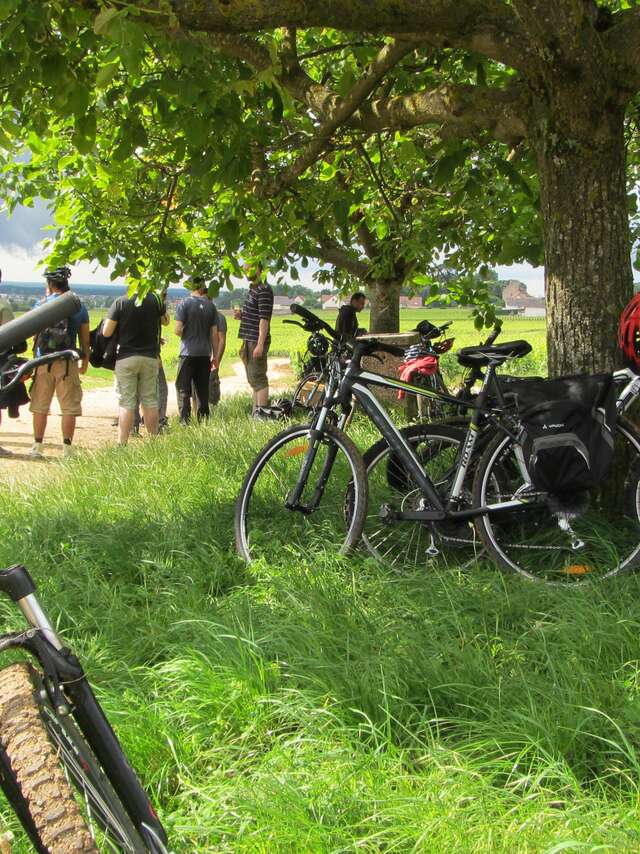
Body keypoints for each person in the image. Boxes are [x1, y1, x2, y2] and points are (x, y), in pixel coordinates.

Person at [29, 267, 90, 460]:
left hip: (42, 362)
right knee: (69, 407)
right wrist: (84, 361)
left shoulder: (41, 304)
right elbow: (85, 340)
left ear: (49, 283)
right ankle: (67, 450)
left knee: (40, 405)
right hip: (67, 362)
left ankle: (37, 447)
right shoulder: (78, 306)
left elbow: (33, 335)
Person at [102, 290, 168, 445]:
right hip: (150, 357)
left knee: (127, 403)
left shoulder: (121, 302)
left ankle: (122, 443)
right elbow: (166, 321)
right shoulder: (155, 300)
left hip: (126, 357)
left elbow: (106, 332)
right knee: (150, 401)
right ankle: (153, 443)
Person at [174, 277, 219, 423]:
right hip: (205, 354)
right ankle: (203, 420)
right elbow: (214, 334)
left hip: (187, 352)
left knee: (183, 387)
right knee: (202, 389)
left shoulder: (184, 303)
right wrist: (216, 356)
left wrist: (188, 330)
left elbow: (177, 330)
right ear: (203, 287)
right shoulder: (211, 307)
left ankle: (185, 421)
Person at [234, 264, 274, 417]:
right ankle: (255, 414)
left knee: (259, 379)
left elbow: (264, 319)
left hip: (256, 340)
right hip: (249, 338)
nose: (247, 272)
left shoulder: (264, 289)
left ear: (260, 268)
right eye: (245, 269)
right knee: (254, 380)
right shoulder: (253, 288)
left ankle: (261, 416)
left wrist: (260, 344)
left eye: (250, 268)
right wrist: (242, 315)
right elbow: (257, 315)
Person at [192, 293, 226, 412]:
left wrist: (216, 359)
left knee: (211, 386)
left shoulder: (219, 317)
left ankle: (212, 415)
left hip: (211, 357)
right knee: (195, 388)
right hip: (199, 356)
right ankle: (195, 417)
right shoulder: (197, 315)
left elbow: (222, 340)